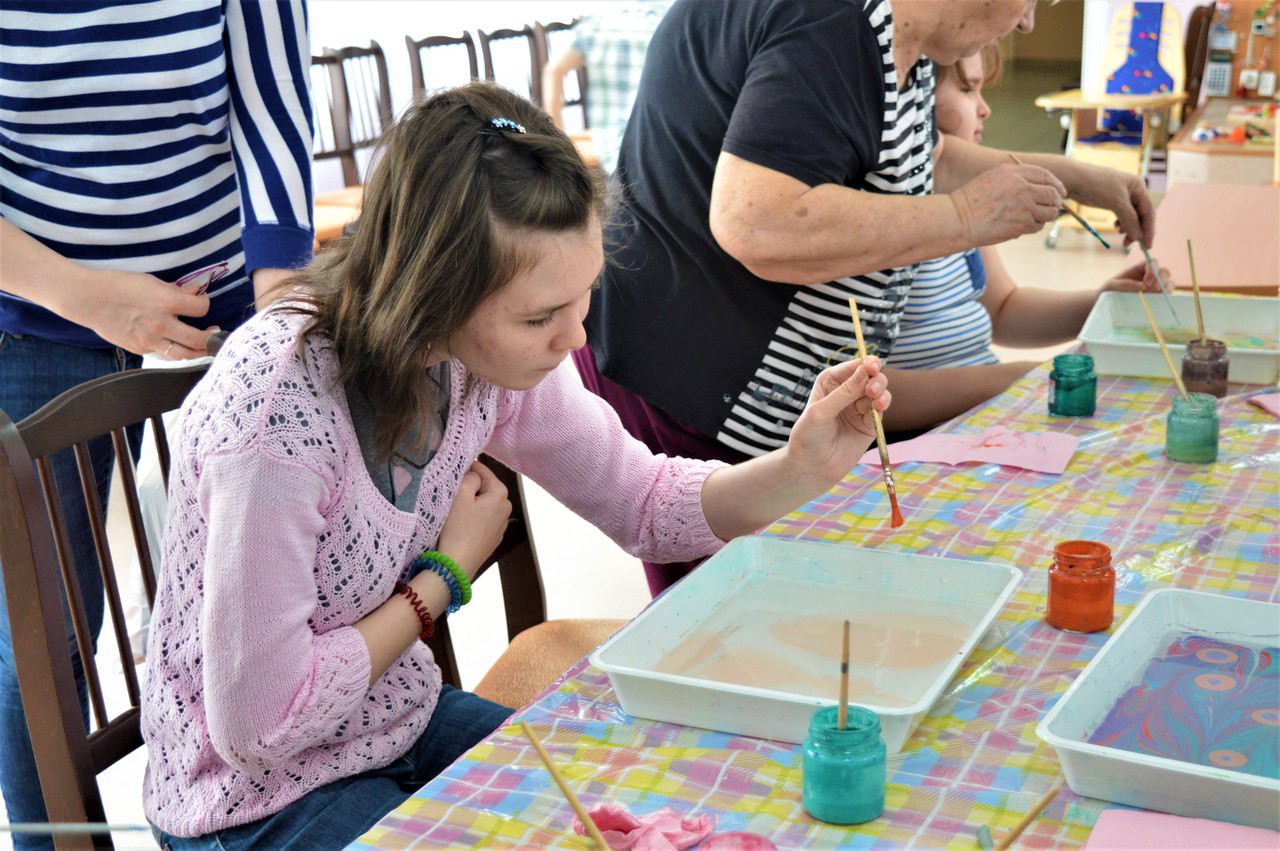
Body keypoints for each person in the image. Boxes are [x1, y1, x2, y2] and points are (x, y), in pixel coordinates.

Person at [139, 81, 891, 849]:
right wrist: (441, 579)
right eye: (539, 317)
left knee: (646, 806)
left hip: (394, 723)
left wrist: (797, 469)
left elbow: (642, 502)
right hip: (251, 801)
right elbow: (260, 727)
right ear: (433, 293)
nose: (575, 338)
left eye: (583, 296)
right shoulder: (276, 414)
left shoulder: (476, 362)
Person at [574, 0, 1158, 596]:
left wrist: (1075, 177)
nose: (1029, 22)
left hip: (760, 382)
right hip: (694, 373)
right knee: (737, 609)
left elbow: (923, 157)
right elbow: (756, 222)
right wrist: (964, 217)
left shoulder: (899, 37)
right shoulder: (830, 19)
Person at [0, 1, 313, 843]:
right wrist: (88, 297)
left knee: (283, 580)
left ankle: (281, 810)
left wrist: (281, 320)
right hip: (37, 309)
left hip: (232, 297)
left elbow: (273, 112)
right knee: (41, 636)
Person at [887, 43, 1174, 432]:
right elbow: (859, 393)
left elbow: (1002, 310)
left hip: (981, 420)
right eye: (968, 89)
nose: (984, 109)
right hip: (917, 440)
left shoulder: (969, 201)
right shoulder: (878, 219)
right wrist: (1008, 381)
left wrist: (1101, 303)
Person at [541, 1, 673, 176]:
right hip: (659, 144)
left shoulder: (597, 23)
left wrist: (558, 138)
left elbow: (554, 71)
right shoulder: (672, 19)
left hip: (609, 148)